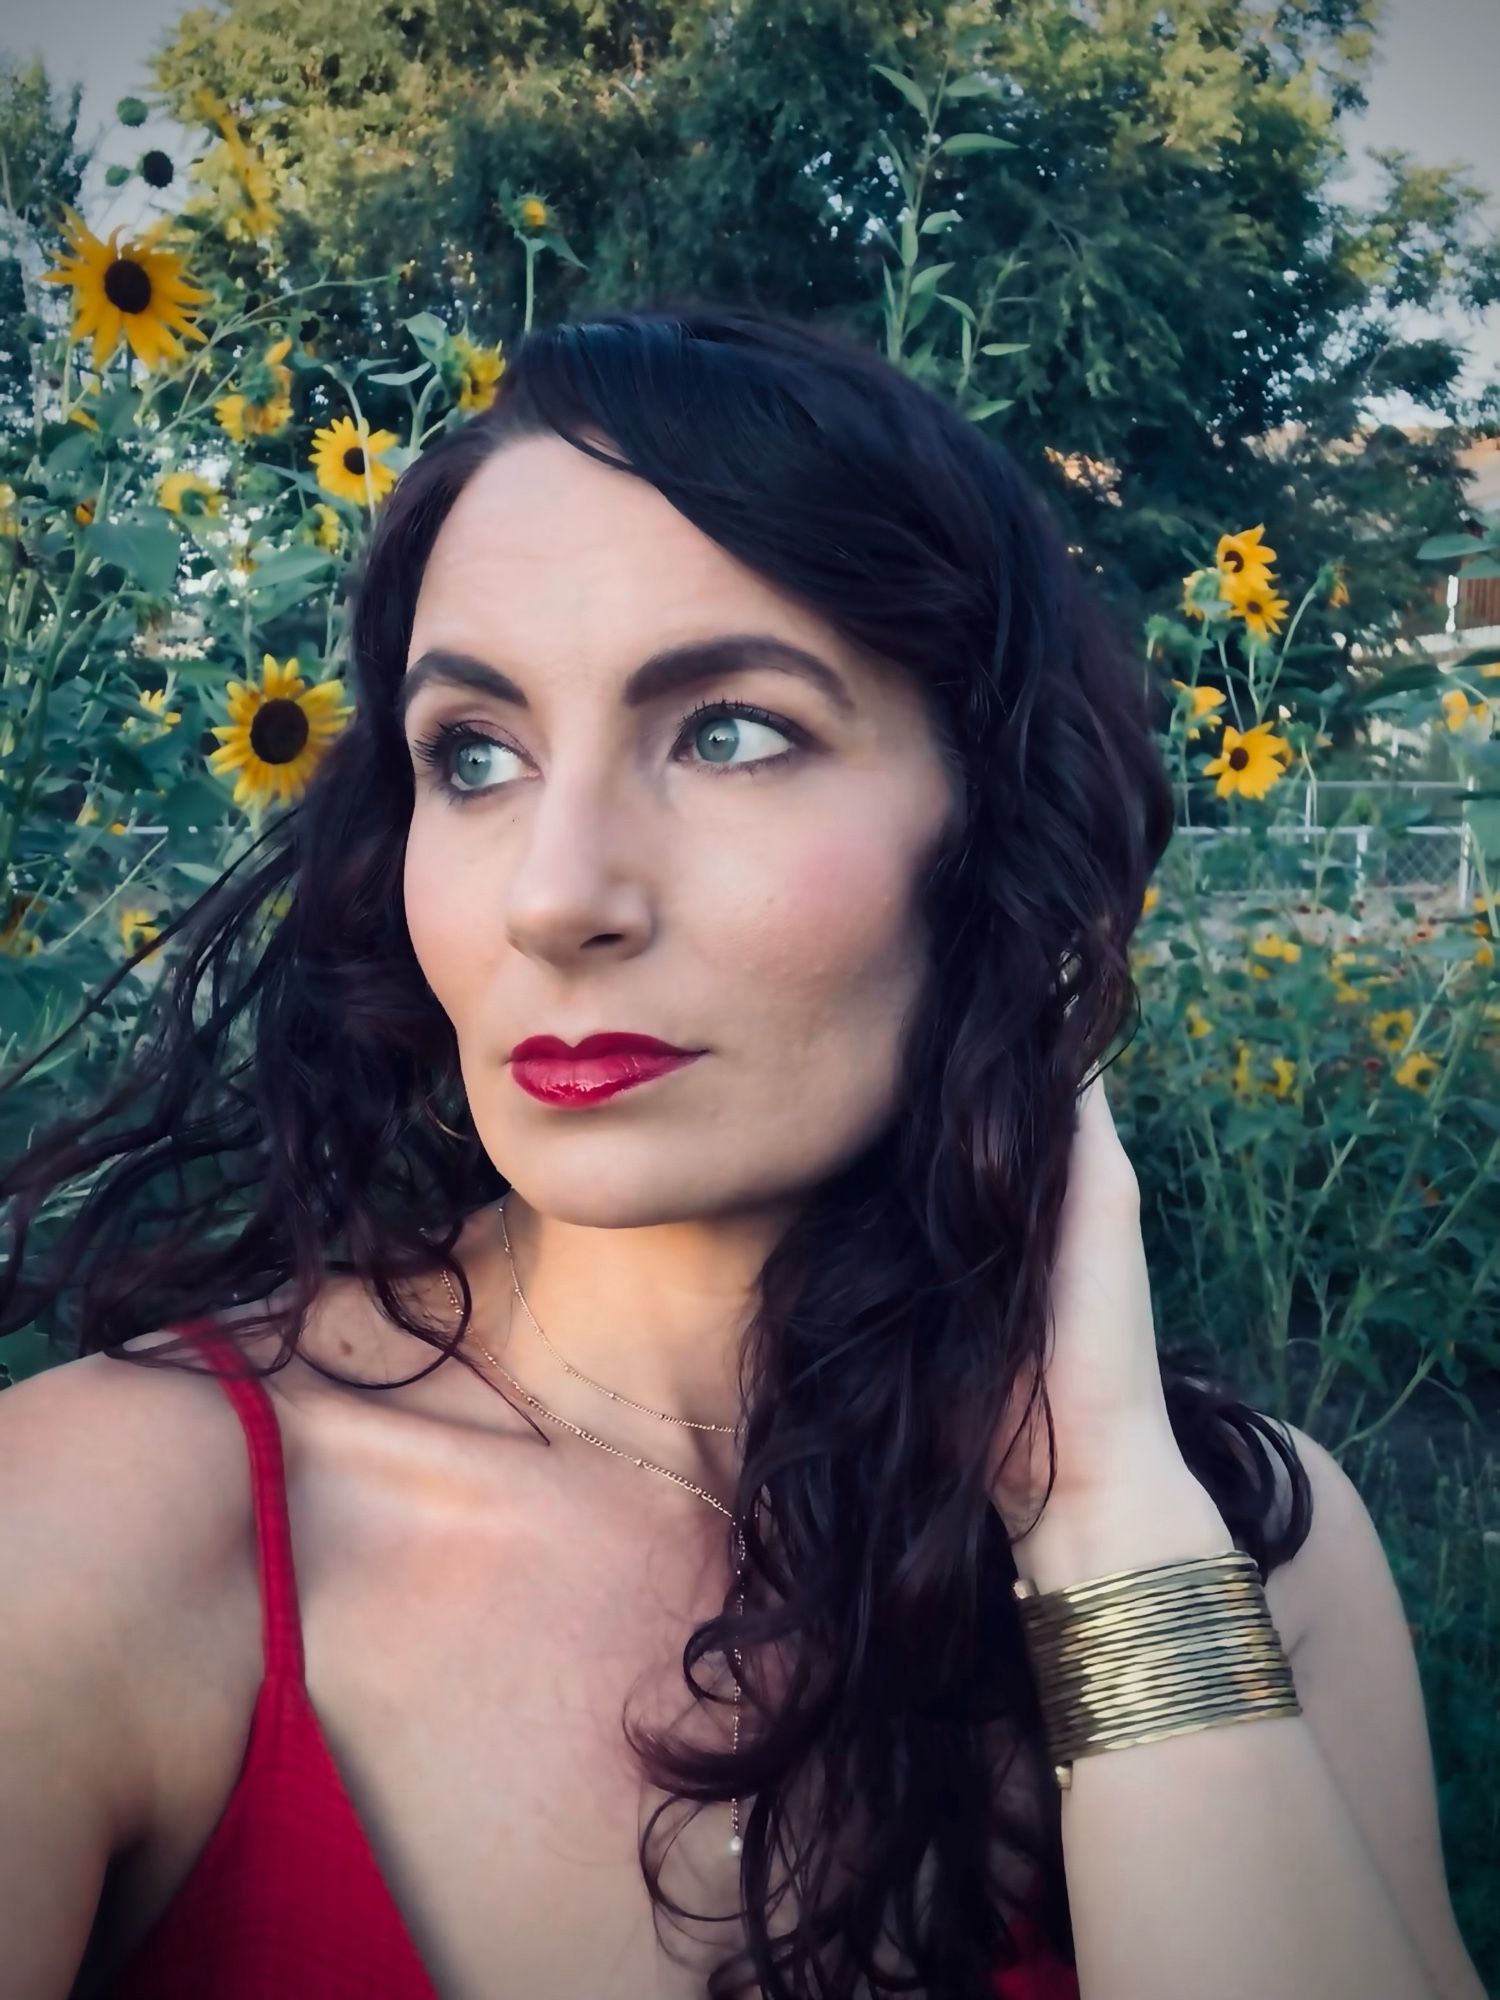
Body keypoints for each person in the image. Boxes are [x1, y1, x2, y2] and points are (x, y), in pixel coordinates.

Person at [0, 304, 1482, 2000]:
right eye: (472, 757)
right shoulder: (87, 1536)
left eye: (727, 731)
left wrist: (1101, 1523)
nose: (557, 895)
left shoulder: (1247, 1553)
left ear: (998, 826)